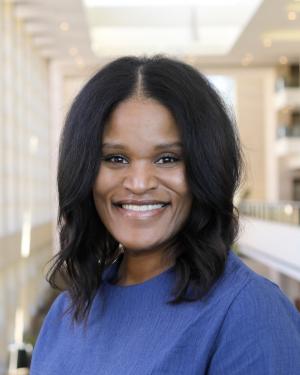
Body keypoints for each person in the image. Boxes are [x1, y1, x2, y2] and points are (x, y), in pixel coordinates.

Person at [30, 56, 300, 375]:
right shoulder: (66, 313)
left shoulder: (249, 311)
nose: (140, 183)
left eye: (167, 159)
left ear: (205, 169)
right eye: (115, 158)